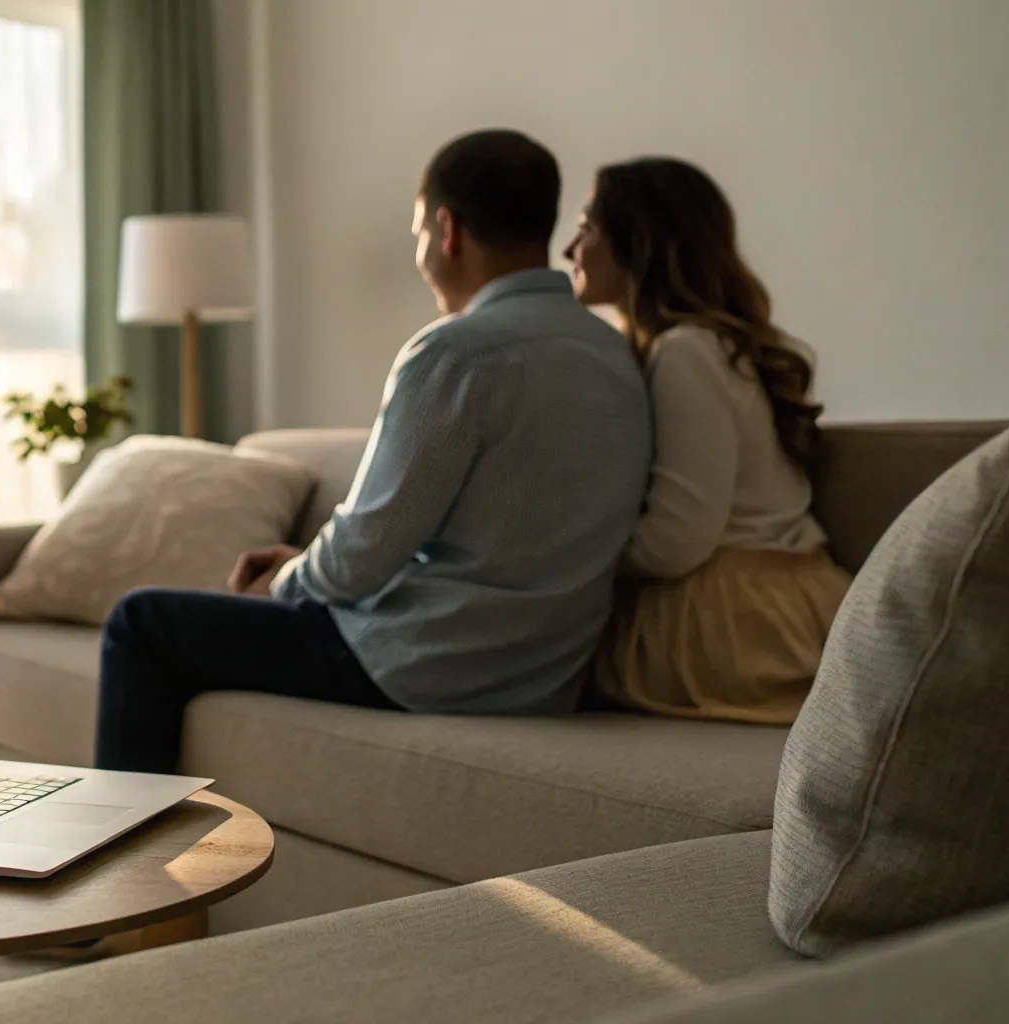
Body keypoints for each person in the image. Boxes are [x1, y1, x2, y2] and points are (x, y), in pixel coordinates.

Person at [94, 129, 652, 774]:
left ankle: (123, 865)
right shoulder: (616, 355)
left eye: (419, 233)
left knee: (142, 622)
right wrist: (305, 562)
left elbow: (363, 554)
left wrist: (283, 582)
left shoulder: (455, 352)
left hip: (423, 664)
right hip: (541, 680)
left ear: (448, 230)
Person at [562, 157, 850, 725]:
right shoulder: (702, 348)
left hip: (733, 622)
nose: (571, 250)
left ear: (638, 242)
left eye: (587, 227)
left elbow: (678, 539)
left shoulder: (686, 352)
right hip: (782, 599)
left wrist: (571, 555)